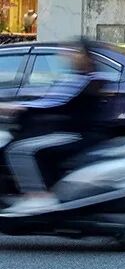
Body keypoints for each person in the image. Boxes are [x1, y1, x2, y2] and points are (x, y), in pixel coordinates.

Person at [0, 43, 110, 214]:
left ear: (86, 56)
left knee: (19, 150)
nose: (69, 57)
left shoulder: (86, 80)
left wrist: (20, 108)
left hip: (75, 134)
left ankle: (38, 197)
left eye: (75, 53)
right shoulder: (81, 78)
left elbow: (54, 104)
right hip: (68, 130)